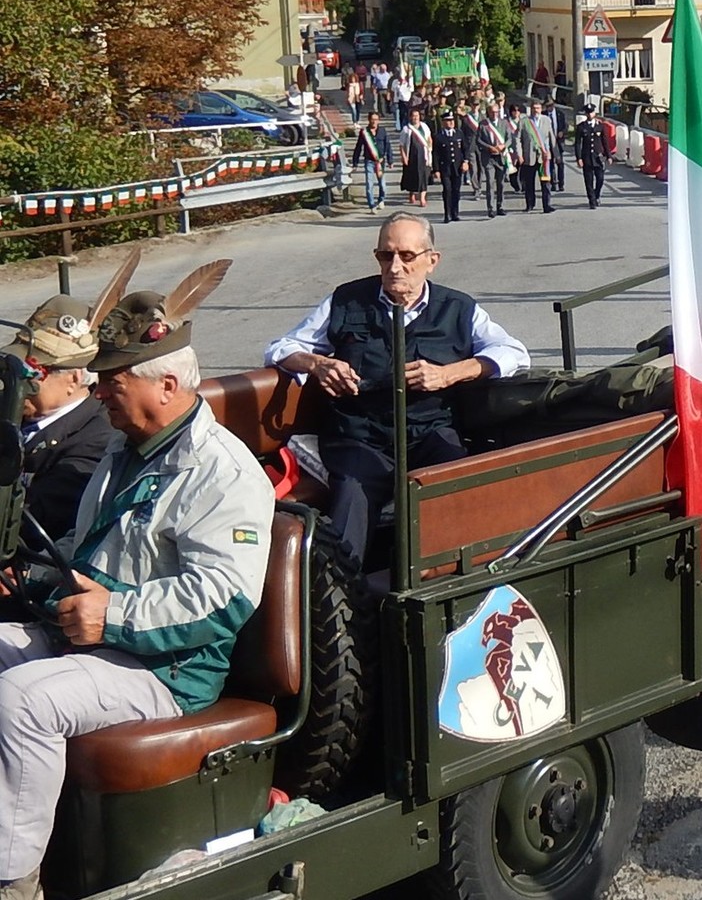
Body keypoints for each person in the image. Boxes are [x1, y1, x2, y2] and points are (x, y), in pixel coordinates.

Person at [0, 261, 275, 899]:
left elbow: (223, 599)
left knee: (24, 701)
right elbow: (81, 549)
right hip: (97, 645)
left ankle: (14, 882)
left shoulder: (221, 471)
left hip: (168, 669)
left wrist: (112, 615)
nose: (97, 393)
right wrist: (34, 581)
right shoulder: (128, 451)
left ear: (167, 383)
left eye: (111, 380)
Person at [264, 212, 529, 566]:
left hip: (429, 433)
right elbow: (280, 348)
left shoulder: (458, 309)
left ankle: (454, 588)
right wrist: (317, 363)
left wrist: (450, 373)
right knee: (349, 508)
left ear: (431, 261)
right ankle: (344, 604)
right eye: (385, 255)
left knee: (463, 491)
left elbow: (513, 352)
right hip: (359, 437)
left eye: (407, 256)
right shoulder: (345, 301)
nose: (394, 267)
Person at [2, 294, 113, 547]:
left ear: (73, 379)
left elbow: (27, 525)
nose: (19, 382)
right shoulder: (12, 405)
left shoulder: (97, 440)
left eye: (33, 372)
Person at [516, 99, 557, 213]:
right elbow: (517, 139)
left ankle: (546, 205)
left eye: (538, 108)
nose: (536, 110)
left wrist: (554, 153)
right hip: (529, 156)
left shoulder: (546, 120)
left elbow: (551, 137)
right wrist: (519, 154)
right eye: (534, 108)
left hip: (544, 157)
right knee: (529, 182)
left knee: (546, 182)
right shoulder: (524, 122)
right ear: (531, 109)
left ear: (541, 109)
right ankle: (530, 204)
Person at [352, 111, 394, 214]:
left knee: (382, 185)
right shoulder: (364, 132)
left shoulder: (383, 131)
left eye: (376, 119)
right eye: (372, 119)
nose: (374, 122)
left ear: (379, 120)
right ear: (369, 120)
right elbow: (358, 148)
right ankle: (371, 205)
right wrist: (355, 162)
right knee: (369, 185)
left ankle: (381, 199)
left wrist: (390, 160)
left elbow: (388, 146)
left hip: (380, 162)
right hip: (369, 161)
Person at [432, 111, 469, 223]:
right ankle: (447, 214)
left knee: (456, 190)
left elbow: (465, 149)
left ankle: (455, 213)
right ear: (443, 122)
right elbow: (435, 154)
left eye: (452, 121)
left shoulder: (458, 133)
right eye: (448, 121)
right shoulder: (438, 136)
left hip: (457, 167)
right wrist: (436, 169)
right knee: (447, 190)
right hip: (445, 168)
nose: (451, 123)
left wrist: (465, 162)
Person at [575, 102, 613, 209]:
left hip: (598, 157)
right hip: (586, 157)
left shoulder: (600, 126)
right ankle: (592, 201)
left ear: (595, 113)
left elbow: (604, 142)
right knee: (589, 180)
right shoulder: (581, 127)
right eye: (588, 113)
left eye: (591, 112)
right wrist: (578, 158)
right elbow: (578, 143)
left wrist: (609, 156)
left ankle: (596, 195)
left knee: (600, 178)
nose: (590, 115)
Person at [477, 101, 509, 218]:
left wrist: (504, 145)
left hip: (501, 157)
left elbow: (510, 138)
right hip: (489, 157)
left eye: (496, 112)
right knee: (490, 183)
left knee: (501, 183)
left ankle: (500, 206)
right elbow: (478, 140)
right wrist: (489, 147)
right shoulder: (483, 124)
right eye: (492, 112)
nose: (495, 114)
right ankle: (490, 208)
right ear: (488, 112)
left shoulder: (504, 123)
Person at [399, 107, 432, 208]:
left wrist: (430, 149)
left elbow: (429, 138)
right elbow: (401, 145)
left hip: (424, 156)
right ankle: (412, 193)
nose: (415, 118)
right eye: (413, 116)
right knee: (412, 176)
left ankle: (422, 198)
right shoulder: (406, 129)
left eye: (417, 116)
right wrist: (404, 156)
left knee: (424, 176)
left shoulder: (424, 126)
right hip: (412, 156)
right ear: (410, 117)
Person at [543, 97, 568, 192]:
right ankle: (553, 183)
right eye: (547, 106)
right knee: (550, 164)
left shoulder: (560, 114)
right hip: (548, 143)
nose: (549, 107)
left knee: (560, 163)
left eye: (551, 105)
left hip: (558, 142)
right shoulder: (544, 115)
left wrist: (562, 132)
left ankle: (561, 183)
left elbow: (565, 127)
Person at [461, 97, 483, 197]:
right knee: (473, 169)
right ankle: (476, 188)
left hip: (482, 146)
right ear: (471, 106)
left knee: (481, 168)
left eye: (477, 105)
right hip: (470, 146)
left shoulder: (483, 117)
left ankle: (480, 185)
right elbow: (463, 133)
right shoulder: (466, 118)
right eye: (474, 105)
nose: (475, 107)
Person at [505, 103, 524, 193]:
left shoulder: (523, 121)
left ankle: (522, 185)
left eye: (518, 110)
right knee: (513, 169)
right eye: (514, 111)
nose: (516, 113)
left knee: (522, 169)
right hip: (511, 149)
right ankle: (515, 185)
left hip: (521, 148)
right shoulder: (507, 122)